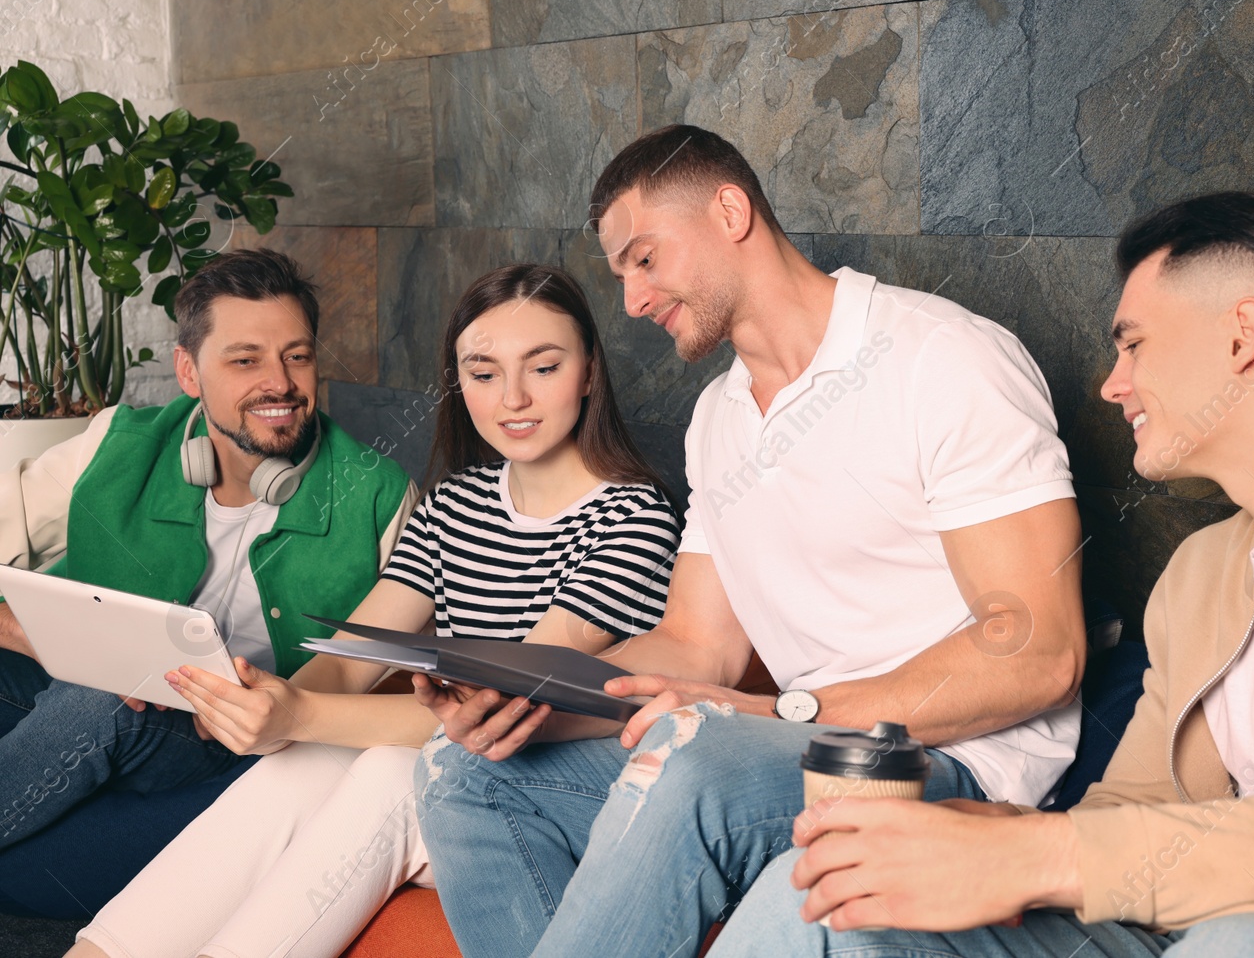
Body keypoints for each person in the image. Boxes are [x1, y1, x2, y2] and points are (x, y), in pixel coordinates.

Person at [710, 192, 1254, 958]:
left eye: (1132, 343)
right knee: (824, 892)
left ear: (1243, 334)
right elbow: (1134, 809)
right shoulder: (1203, 573)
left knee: (1253, 939)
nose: (1112, 383)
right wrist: (989, 837)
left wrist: (1045, 858)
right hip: (1183, 940)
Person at [412, 124, 1089, 958]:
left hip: (953, 761)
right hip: (789, 750)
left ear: (730, 211)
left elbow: (1037, 651)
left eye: (644, 258)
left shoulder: (941, 360)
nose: (630, 300)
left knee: (696, 754)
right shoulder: (719, 419)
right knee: (461, 770)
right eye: (620, 272)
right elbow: (698, 648)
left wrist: (780, 711)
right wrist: (524, 700)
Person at [67, 264, 680, 958]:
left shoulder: (633, 517)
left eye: (542, 366)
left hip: (552, 785)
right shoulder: (457, 503)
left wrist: (302, 713)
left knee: (390, 773)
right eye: (482, 373)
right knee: (298, 766)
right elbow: (350, 664)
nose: (513, 397)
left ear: (590, 372)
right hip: (455, 765)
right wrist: (274, 704)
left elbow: (493, 708)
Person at [0, 249, 415, 862]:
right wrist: (50, 642)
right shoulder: (116, 445)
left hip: (218, 739)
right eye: (245, 360)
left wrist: (280, 708)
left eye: (296, 357)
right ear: (189, 373)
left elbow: (399, 679)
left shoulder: (381, 495)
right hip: (75, 686)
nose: (279, 383)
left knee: (98, 701)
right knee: (82, 689)